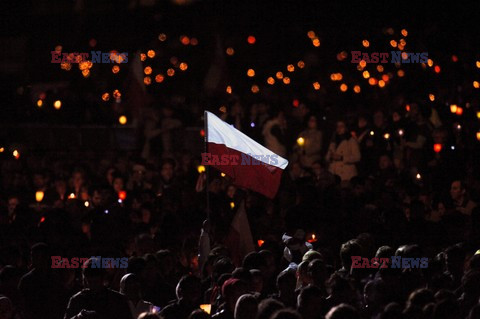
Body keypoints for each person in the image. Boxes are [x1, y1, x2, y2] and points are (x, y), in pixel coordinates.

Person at [64, 258, 133, 319]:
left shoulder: (117, 300)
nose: (93, 285)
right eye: (90, 282)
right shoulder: (77, 300)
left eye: (96, 282)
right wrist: (78, 317)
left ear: (103, 279)